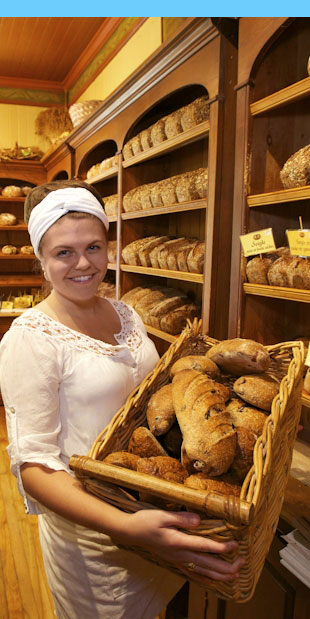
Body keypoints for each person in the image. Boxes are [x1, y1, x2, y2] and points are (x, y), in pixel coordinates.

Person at [0, 179, 244, 619]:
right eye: (63, 253)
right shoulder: (31, 338)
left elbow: (154, 397)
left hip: (153, 505)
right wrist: (127, 526)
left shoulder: (125, 312)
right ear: (41, 257)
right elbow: (34, 467)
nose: (83, 264)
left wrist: (238, 413)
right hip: (96, 534)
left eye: (94, 247)